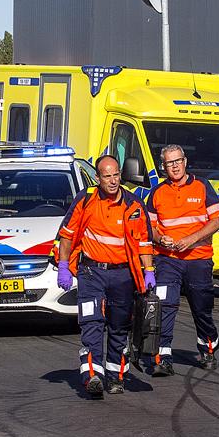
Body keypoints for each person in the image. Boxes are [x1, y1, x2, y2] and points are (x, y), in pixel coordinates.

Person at [56, 155, 155, 399]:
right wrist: (63, 264)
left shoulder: (133, 204)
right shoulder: (87, 199)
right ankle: (92, 375)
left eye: (116, 175)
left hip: (123, 275)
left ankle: (115, 377)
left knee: (119, 327)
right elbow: (68, 234)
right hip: (92, 272)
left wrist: (149, 271)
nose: (112, 181)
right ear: (98, 178)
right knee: (92, 323)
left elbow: (144, 241)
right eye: (107, 176)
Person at [146, 144, 219, 375]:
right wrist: (160, 238)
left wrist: (191, 239)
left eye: (178, 161)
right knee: (165, 305)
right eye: (170, 163)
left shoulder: (202, 186)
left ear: (185, 161)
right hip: (168, 259)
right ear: (164, 167)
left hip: (198, 259)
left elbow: (218, 220)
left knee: (201, 308)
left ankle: (208, 346)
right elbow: (149, 227)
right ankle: (163, 356)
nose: (175, 166)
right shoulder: (158, 192)